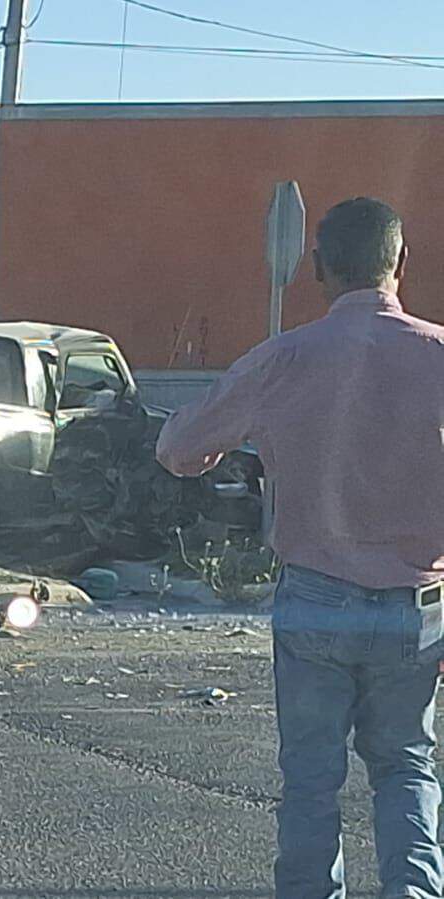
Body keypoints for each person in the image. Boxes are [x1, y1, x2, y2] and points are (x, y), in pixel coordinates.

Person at [156, 197, 444, 898]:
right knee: (405, 763)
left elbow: (177, 449)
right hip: (417, 599)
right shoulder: (437, 353)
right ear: (400, 262)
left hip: (314, 593)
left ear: (316, 268)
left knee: (311, 776)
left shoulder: (282, 358)